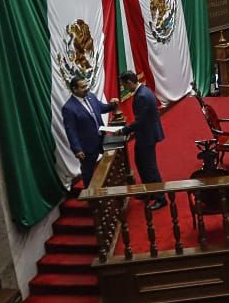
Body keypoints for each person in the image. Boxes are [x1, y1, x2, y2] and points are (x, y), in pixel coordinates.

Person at [61, 75, 118, 188]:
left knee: (112, 162)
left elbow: (101, 108)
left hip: (102, 138)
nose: (86, 88)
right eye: (83, 87)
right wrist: (77, 149)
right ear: (74, 89)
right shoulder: (69, 108)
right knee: (88, 172)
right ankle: (90, 193)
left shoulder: (91, 96)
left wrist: (112, 105)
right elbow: (71, 131)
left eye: (86, 85)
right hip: (87, 146)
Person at [118, 71, 165, 208]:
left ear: (129, 82)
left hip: (147, 136)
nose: (124, 88)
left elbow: (140, 121)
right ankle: (148, 190)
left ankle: (161, 198)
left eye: (124, 85)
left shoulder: (142, 96)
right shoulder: (143, 90)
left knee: (150, 167)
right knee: (141, 163)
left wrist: (123, 130)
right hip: (146, 134)